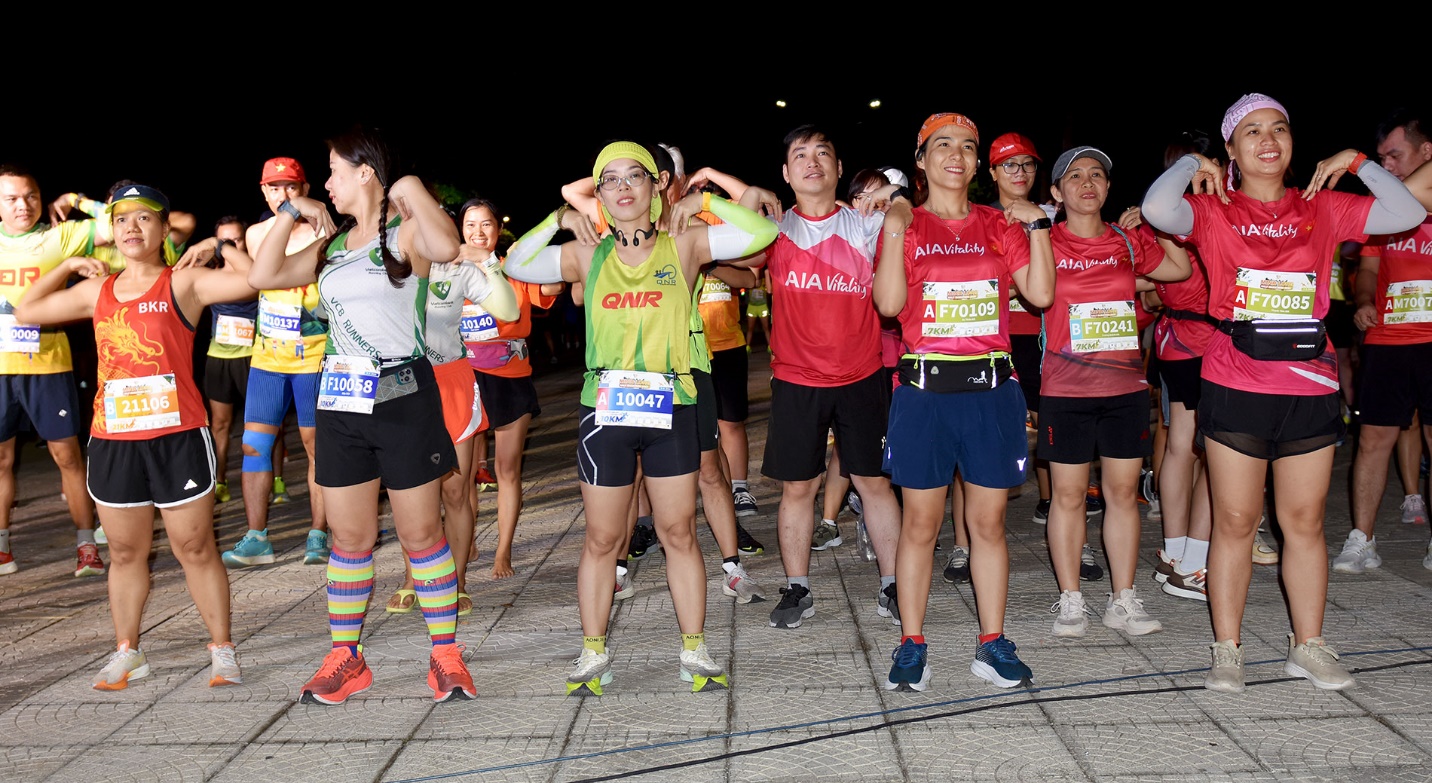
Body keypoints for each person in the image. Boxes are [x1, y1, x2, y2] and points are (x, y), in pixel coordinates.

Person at [1141, 92, 1425, 693]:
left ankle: (1310, 644)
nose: (1268, 140)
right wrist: (1195, 166)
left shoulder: (1322, 207)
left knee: (1304, 522)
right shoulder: (1214, 210)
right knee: (1237, 521)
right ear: (1232, 151)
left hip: (1310, 382)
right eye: (1251, 132)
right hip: (1237, 379)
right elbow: (1157, 208)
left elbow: (1403, 214)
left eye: (1278, 129)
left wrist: (1357, 162)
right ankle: (1227, 648)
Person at [503, 141, 779, 695]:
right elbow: (515, 262)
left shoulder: (687, 244)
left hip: (672, 404)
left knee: (679, 531)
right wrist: (560, 216)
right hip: (605, 409)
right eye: (610, 179)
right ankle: (593, 651)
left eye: (636, 176)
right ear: (600, 195)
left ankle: (694, 649)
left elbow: (762, 233)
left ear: (656, 188)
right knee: (603, 538)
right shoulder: (587, 253)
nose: (624, 186)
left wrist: (702, 199)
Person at [248, 126, 481, 705]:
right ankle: (345, 658)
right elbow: (263, 276)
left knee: (420, 534)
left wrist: (407, 184)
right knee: (349, 539)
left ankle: (446, 656)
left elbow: (449, 247)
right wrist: (290, 212)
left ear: (365, 173)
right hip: (341, 403)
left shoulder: (405, 236)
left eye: (332, 172)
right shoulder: (329, 249)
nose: (324, 184)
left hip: (404, 396)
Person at [15, 184, 252, 690]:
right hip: (115, 440)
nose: (131, 228)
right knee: (124, 552)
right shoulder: (96, 291)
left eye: (144, 219)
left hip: (178, 436)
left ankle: (222, 649)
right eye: (122, 220)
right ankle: (128, 652)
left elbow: (251, 282)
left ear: (163, 230)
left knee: (195, 546)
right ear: (112, 232)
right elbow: (27, 309)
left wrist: (218, 246)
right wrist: (68, 264)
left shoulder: (183, 283)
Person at [872, 112, 1054, 691]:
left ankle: (991, 641)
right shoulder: (908, 223)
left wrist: (1041, 225)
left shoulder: (999, 225)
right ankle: (912, 642)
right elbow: (887, 303)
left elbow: (1042, 293)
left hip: (992, 392)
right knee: (921, 525)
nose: (956, 154)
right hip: (925, 394)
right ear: (922, 160)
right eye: (942, 146)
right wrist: (899, 221)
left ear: (978, 164)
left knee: (988, 524)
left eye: (967, 147)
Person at [1041, 146, 1191, 640]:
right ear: (1057, 192)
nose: (1088, 183)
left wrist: (1156, 226)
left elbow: (1178, 269)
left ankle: (1122, 598)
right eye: (1075, 176)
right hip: (1065, 388)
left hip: (1125, 388)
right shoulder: (1044, 242)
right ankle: (1070, 600)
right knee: (1067, 496)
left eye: (1097, 175)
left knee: (1124, 494)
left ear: (1107, 188)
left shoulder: (1127, 243)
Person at [383, 197, 519, 614]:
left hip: (452, 382)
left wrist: (489, 262)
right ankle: (412, 577)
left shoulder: (457, 266)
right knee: (408, 487)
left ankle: (457, 583)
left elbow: (509, 310)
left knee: (456, 490)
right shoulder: (390, 265)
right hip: (403, 384)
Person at [218, 157, 330, 568]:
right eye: (274, 188)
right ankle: (256, 537)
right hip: (268, 358)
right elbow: (267, 273)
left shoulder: (325, 229)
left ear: (305, 188)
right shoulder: (255, 232)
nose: (283, 195)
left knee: (317, 446)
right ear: (263, 192)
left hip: (314, 357)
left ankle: (319, 533)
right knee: (254, 446)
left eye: (291, 187)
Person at [1337, 107, 1432, 574]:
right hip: (1388, 339)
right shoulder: (1387, 213)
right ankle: (1362, 538)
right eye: (1380, 159)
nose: (1387, 166)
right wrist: (1361, 301)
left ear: (1426, 152)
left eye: (1394, 156)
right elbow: (1368, 268)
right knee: (1373, 438)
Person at [0, 164, 104, 579]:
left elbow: (120, 222)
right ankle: (3, 548)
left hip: (48, 364)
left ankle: (87, 546)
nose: (23, 205)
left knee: (68, 457)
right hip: (1, 372)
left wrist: (77, 201)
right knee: (2, 460)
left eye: (30, 196)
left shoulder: (58, 236)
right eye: (11, 198)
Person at [452, 198, 563, 580]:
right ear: (459, 229)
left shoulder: (514, 268)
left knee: (506, 469)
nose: (477, 232)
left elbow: (555, 284)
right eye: (470, 225)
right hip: (464, 380)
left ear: (498, 231)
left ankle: (503, 551)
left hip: (510, 378)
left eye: (486, 225)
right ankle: (464, 545)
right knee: (463, 474)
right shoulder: (450, 271)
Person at [1131, 131, 1219, 603]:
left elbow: (1146, 287)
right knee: (1214, 450)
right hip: (1202, 341)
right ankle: (1191, 562)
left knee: (1182, 447)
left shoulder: (1154, 218)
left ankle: (1175, 553)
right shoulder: (1195, 216)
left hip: (1176, 342)